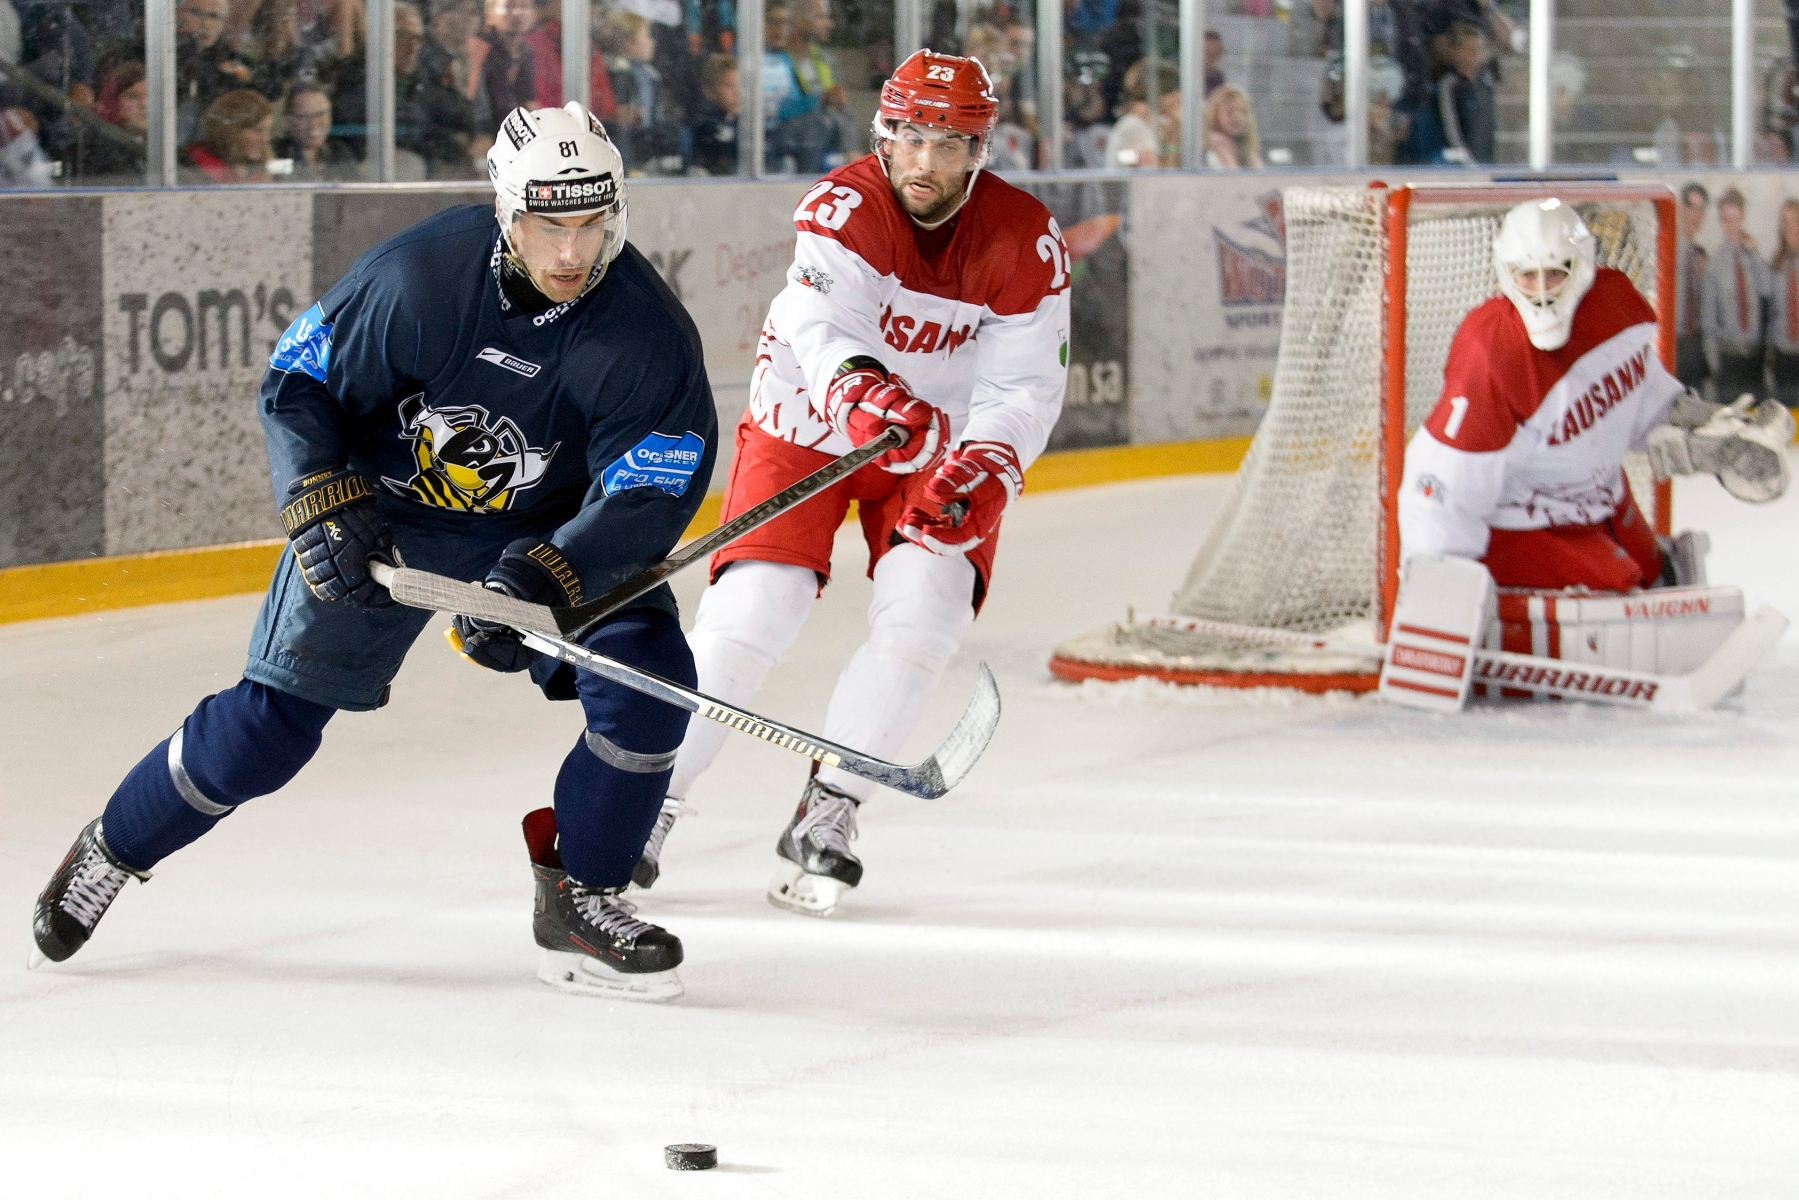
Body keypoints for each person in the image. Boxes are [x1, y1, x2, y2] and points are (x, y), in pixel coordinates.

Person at [30, 103, 719, 1004]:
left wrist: (548, 575)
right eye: (548, 224)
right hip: (386, 517)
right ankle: (115, 847)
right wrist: (321, 493)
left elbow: (648, 487)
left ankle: (581, 895)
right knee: (266, 732)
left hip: (544, 534)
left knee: (647, 683)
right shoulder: (420, 277)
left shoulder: (644, 332)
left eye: (592, 224)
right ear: (507, 210)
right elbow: (300, 380)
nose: (570, 253)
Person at [633, 50, 1068, 916]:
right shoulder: (844, 205)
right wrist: (859, 390)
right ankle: (644, 805)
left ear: (980, 151)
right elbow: (816, 321)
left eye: (950, 146)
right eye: (910, 137)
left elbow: (1023, 386)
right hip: (811, 416)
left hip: (933, 439)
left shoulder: (1024, 238)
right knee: (755, 611)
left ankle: (830, 807)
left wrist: (988, 464)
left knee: (927, 611)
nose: (925, 164)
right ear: (883, 133)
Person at [1399, 199, 1784, 594]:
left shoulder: (1613, 305)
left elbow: (1644, 398)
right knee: (1628, 601)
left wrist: (1701, 429)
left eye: (1555, 274)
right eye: (1527, 276)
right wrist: (1438, 595)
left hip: (1601, 498)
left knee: (1665, 575)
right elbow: (1438, 490)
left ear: (1581, 266)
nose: (1542, 293)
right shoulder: (1492, 353)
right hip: (1524, 523)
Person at [1702, 188, 1771, 404]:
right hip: (1728, 359)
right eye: (1726, 220)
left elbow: (1767, 289)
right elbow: (1708, 319)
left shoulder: (1753, 258)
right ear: (1721, 221)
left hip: (1754, 361)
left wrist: (1755, 253)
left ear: (1742, 218)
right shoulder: (1714, 264)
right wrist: (1715, 366)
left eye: (1736, 218)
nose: (1732, 226)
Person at [182, 88, 275, 182]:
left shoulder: (263, 168)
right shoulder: (193, 170)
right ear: (232, 131)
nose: (265, 138)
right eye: (258, 130)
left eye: (267, 130)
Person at [273, 81, 360, 180]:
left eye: (320, 114)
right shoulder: (275, 154)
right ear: (289, 121)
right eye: (304, 117)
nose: (314, 124)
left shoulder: (339, 153)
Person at [1675, 182, 1711, 390]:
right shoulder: (1667, 248)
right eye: (1691, 207)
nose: (1695, 215)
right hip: (1673, 341)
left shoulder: (1700, 255)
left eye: (1700, 209)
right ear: (1681, 208)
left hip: (1694, 344)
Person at [1766, 199, 1799, 409]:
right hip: (1782, 355)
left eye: (1794, 220)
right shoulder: (1776, 262)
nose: (1789, 227)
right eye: (1784, 221)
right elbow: (1770, 311)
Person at [688, 51, 739, 174]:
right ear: (709, 91)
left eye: (741, 85)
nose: (737, 92)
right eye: (729, 86)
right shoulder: (703, 125)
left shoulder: (747, 122)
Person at [1204, 84, 1263, 169]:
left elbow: (1260, 175)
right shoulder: (1215, 142)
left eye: (1243, 111)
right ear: (1215, 115)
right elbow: (1234, 177)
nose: (1237, 117)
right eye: (1230, 111)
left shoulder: (1244, 146)